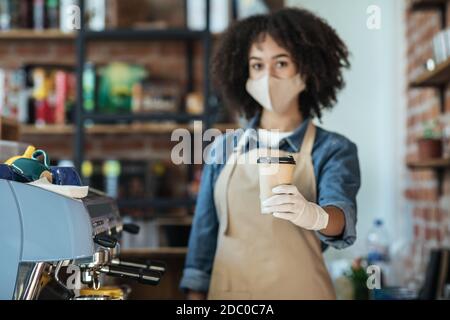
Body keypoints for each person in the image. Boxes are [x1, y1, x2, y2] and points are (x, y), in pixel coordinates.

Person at [180, 7, 361, 300]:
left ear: (307, 68)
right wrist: (193, 300)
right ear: (244, 73)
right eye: (257, 66)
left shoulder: (333, 149)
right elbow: (203, 238)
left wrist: (313, 216)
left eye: (281, 63)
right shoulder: (223, 148)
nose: (267, 77)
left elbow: (341, 218)